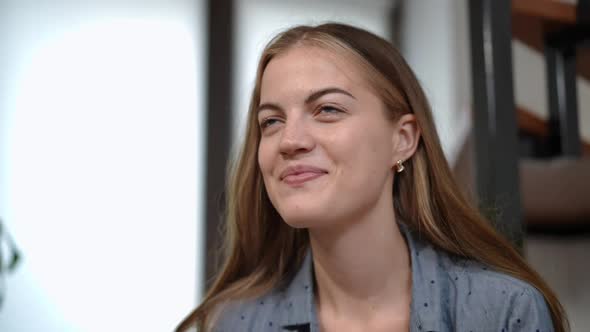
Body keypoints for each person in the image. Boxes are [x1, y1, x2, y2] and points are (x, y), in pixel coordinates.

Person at [177, 23, 568, 332]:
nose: (289, 140)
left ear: (402, 140)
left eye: (328, 109)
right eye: (272, 121)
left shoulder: (505, 313)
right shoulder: (235, 323)